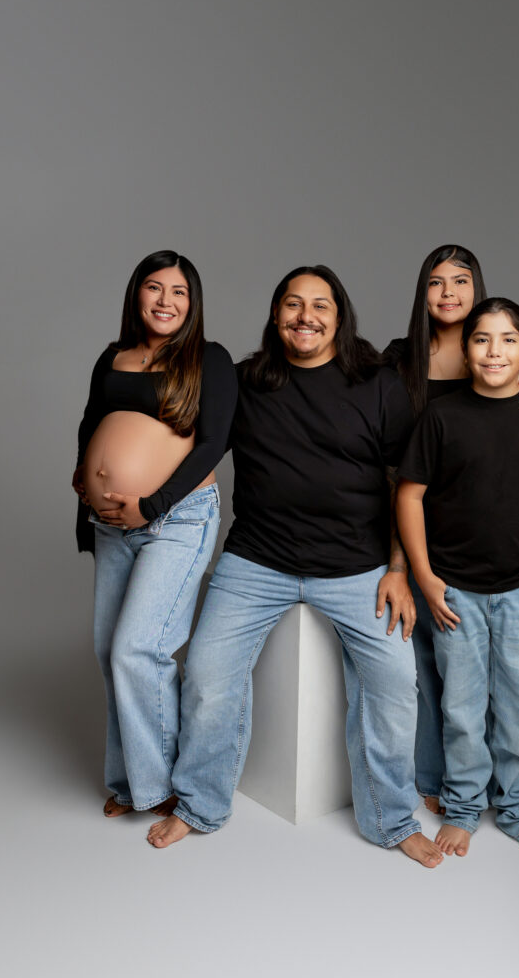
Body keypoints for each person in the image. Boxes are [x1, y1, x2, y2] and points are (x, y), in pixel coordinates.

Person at [147, 264, 444, 867]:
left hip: (359, 568)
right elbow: (187, 437)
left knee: (393, 682)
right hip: (257, 560)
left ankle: (391, 819)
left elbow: (403, 481)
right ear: (275, 313)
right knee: (206, 675)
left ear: (340, 316)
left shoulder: (377, 383)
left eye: (320, 306)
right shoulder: (246, 380)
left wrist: (397, 568)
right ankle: (200, 804)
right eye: (292, 303)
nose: (304, 316)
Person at [396, 298, 519, 859]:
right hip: (454, 591)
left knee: (516, 709)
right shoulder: (442, 417)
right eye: (481, 339)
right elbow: (409, 495)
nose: (494, 351)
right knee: (460, 710)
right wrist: (426, 577)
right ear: (465, 349)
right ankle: (461, 808)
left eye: (508, 341)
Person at [383, 244, 519, 814]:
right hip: (421, 539)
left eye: (461, 281)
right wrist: (403, 564)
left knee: (502, 684)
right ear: (422, 292)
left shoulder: (493, 349)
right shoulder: (401, 358)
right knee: (437, 677)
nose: (449, 293)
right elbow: (396, 474)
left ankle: (503, 797)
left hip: (493, 543)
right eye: (436, 282)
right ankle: (445, 787)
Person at [73, 250, 237, 818]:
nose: (165, 301)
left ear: (193, 304)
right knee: (107, 651)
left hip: (177, 519)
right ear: (136, 295)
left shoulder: (208, 360)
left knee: (137, 649)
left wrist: (153, 503)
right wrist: (88, 493)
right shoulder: (112, 357)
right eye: (154, 288)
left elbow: (215, 443)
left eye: (179, 292)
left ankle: (164, 785)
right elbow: (91, 424)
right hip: (113, 526)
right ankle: (129, 783)